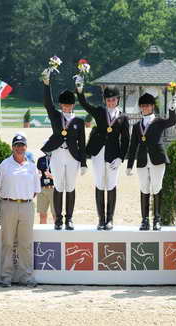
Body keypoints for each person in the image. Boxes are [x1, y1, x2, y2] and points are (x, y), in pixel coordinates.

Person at [77, 83, 130, 231]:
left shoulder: (123, 117)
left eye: (113, 99)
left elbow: (126, 139)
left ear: (118, 100)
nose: (111, 102)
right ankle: (101, 219)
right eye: (108, 100)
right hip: (98, 153)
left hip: (114, 155)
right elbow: (84, 103)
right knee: (100, 183)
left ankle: (110, 219)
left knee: (111, 184)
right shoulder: (100, 112)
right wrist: (80, 89)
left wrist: (121, 157)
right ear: (105, 100)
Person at [41, 67, 87, 230]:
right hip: (58, 154)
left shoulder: (79, 121)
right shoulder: (56, 116)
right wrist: (47, 84)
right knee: (59, 186)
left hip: (73, 156)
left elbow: (82, 142)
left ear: (73, 105)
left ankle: (69, 219)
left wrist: (83, 163)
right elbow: (47, 103)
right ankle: (58, 219)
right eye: (64, 105)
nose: (66, 107)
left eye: (69, 105)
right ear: (61, 104)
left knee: (71, 186)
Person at [126, 92, 176, 231]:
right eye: (142, 106)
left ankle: (157, 219)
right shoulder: (137, 126)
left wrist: (172, 110)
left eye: (147, 105)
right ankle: (144, 220)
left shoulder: (159, 121)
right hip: (143, 159)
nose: (145, 108)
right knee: (144, 188)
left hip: (157, 158)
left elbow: (172, 121)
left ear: (152, 106)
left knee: (156, 187)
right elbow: (133, 145)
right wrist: (129, 164)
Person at [0, 134, 40, 288]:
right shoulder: (5, 165)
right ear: (12, 147)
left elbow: (35, 190)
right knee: (7, 242)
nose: (19, 148)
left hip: (27, 206)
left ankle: (26, 276)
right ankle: (5, 276)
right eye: (17, 145)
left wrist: (23, 198)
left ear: (26, 147)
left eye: (22, 145)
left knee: (25, 244)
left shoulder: (32, 166)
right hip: (9, 205)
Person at [36, 152, 56, 224]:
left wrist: (52, 176)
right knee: (42, 215)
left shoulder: (57, 159)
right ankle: (42, 233)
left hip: (54, 190)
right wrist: (38, 176)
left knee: (55, 215)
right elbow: (38, 172)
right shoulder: (40, 160)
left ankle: (57, 234)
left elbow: (62, 177)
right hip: (42, 189)